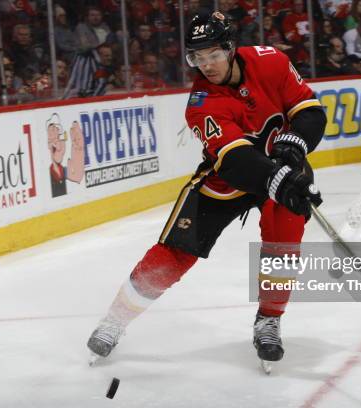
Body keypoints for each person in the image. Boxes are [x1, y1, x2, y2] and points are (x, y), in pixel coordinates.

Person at [87, 11, 326, 367]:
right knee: (176, 251)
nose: (206, 64)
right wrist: (279, 181)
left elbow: (309, 110)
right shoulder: (201, 103)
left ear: (230, 48)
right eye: (197, 57)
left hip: (281, 168)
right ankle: (114, 321)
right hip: (228, 180)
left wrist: (296, 143)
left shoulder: (271, 61)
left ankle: (269, 319)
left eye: (213, 54)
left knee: (284, 240)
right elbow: (235, 161)